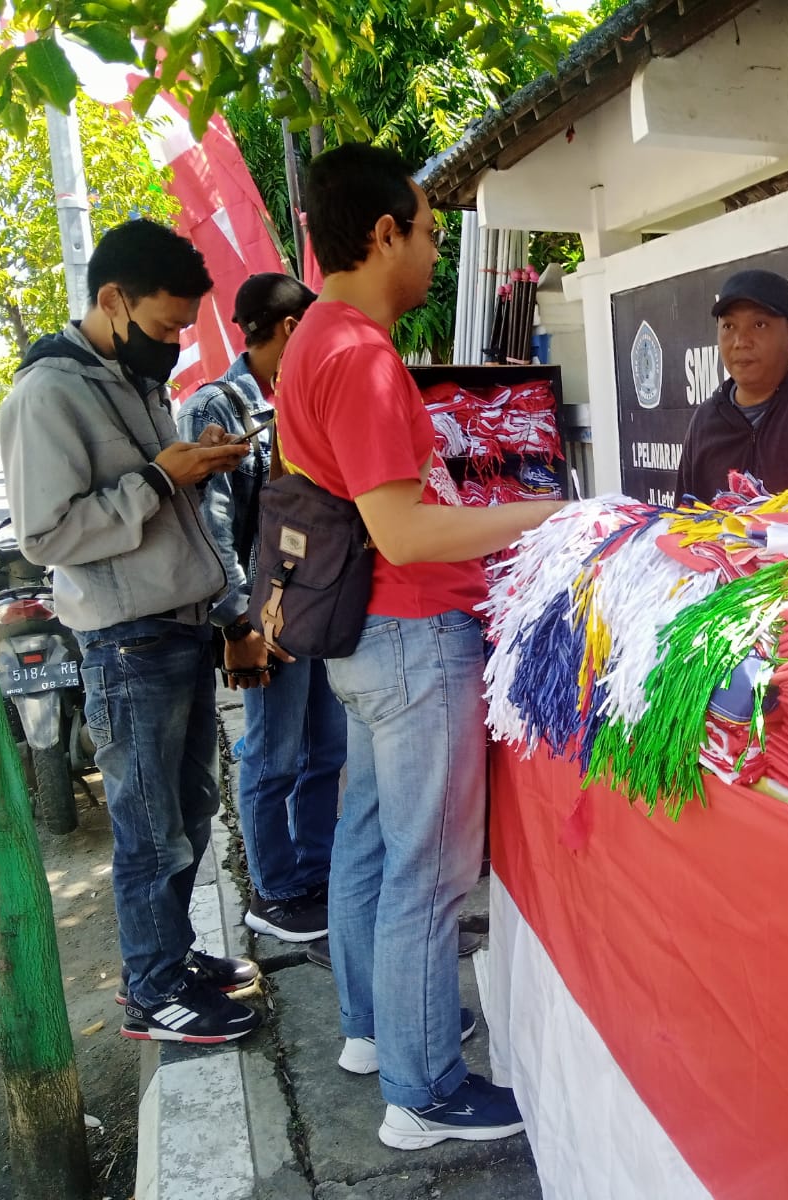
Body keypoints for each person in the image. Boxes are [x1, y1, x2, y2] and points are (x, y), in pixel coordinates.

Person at [272, 143, 563, 1149]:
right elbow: (403, 532)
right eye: (433, 230)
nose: (439, 251)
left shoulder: (324, 340)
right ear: (386, 231)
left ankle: (373, 1033)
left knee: (369, 847)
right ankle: (425, 1088)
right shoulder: (356, 354)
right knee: (429, 875)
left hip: (373, 641)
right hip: (408, 635)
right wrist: (540, 514)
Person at [0, 219, 262, 1044]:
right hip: (128, 642)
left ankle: (173, 959)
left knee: (185, 816)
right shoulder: (47, 395)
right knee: (149, 833)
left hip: (176, 628)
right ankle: (152, 993)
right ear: (112, 300)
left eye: (185, 327)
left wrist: (196, 460)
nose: (177, 343)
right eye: (166, 324)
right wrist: (158, 476)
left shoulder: (132, 381)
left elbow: (149, 496)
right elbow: (47, 535)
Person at [177, 273, 344, 943]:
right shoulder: (219, 406)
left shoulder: (295, 399)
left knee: (324, 751)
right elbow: (212, 528)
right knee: (273, 755)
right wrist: (239, 624)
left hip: (314, 610)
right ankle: (273, 892)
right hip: (265, 618)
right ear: (290, 329)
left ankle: (315, 871)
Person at [674, 267, 788, 500]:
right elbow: (684, 521)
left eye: (759, 325)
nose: (740, 342)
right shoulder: (705, 422)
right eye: (729, 327)